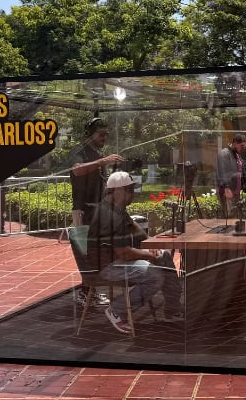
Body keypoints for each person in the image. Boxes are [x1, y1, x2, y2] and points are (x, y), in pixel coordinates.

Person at [88, 171, 183, 335]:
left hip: (117, 259)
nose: (133, 194)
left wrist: (151, 243)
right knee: (155, 275)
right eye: (130, 190)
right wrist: (149, 255)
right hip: (107, 266)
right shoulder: (109, 215)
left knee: (164, 256)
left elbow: (133, 227)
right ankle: (117, 310)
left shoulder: (116, 208)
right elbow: (124, 253)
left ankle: (172, 309)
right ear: (117, 191)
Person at [68, 117, 124, 307]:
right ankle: (85, 292)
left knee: (96, 251)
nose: (104, 138)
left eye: (106, 134)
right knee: (87, 254)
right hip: (83, 210)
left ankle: (91, 290)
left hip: (96, 210)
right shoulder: (79, 151)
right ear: (89, 134)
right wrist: (103, 161)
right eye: (101, 134)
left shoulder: (96, 153)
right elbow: (76, 171)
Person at [216, 133, 246, 218]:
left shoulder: (237, 155)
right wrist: (226, 187)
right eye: (241, 146)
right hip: (228, 190)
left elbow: (238, 171)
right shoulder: (224, 153)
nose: (243, 148)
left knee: (235, 216)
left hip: (235, 191)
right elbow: (222, 172)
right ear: (235, 143)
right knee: (228, 217)